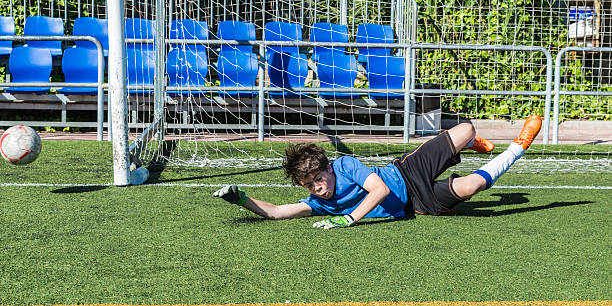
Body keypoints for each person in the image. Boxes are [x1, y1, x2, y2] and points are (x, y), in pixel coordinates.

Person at [213, 115, 542, 229]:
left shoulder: (344, 165)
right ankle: (519, 146)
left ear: (328, 168)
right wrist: (240, 198)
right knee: (471, 187)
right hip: (417, 203)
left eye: (319, 179)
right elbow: (277, 211)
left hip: (406, 170)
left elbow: (380, 190)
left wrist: (349, 218)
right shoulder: (320, 202)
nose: (317, 188)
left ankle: (465, 146)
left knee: (466, 129)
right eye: (310, 185)